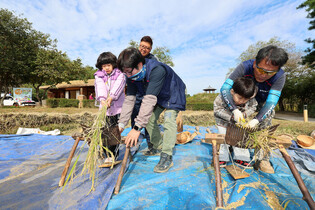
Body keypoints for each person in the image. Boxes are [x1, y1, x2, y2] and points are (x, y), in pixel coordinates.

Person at [220, 45, 288, 173]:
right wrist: (234, 109)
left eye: (270, 73)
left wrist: (256, 120)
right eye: (261, 70)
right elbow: (224, 89)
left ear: (277, 70)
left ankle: (262, 158)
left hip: (262, 102)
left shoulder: (280, 76)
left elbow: (271, 103)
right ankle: (231, 145)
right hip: (243, 101)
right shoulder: (244, 66)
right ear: (255, 63)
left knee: (267, 118)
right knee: (233, 118)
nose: (263, 75)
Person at [117, 47, 186, 173]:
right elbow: (129, 100)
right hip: (158, 95)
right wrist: (121, 124)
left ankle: (166, 156)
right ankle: (158, 145)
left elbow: (148, 100)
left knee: (169, 120)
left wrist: (137, 128)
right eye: (124, 72)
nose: (127, 75)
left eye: (128, 71)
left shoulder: (157, 70)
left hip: (172, 93)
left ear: (139, 64)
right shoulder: (131, 76)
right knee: (149, 120)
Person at [214, 77, 258, 168]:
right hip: (223, 123)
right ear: (232, 92)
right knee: (223, 138)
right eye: (240, 98)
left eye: (246, 99)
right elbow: (217, 110)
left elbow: (254, 107)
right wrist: (231, 117)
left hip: (239, 125)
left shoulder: (251, 99)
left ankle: (241, 158)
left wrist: (245, 114)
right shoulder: (222, 97)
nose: (242, 101)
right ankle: (222, 157)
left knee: (241, 138)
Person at [94, 52, 126, 164]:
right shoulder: (99, 76)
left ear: (113, 64)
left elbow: (119, 86)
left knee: (114, 132)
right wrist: (102, 99)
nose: (106, 68)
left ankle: (113, 155)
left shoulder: (120, 74)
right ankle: (105, 153)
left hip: (117, 109)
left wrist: (111, 97)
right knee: (104, 132)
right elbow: (100, 87)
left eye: (108, 65)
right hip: (105, 110)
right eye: (103, 66)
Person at [130, 36, 158, 150]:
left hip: (148, 94)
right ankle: (134, 143)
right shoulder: (132, 58)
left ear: (150, 49)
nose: (143, 49)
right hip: (136, 93)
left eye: (146, 48)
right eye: (142, 46)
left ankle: (151, 144)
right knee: (134, 117)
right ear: (139, 46)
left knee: (148, 120)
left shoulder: (153, 60)